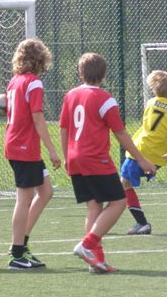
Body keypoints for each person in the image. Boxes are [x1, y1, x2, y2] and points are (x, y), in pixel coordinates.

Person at [59, 53, 155, 273]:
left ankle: (96, 261)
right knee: (119, 202)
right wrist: (141, 159)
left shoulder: (70, 95)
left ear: (80, 73)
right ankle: (88, 244)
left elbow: (63, 129)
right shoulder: (105, 99)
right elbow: (120, 133)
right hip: (95, 159)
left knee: (94, 206)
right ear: (104, 75)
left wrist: (66, 156)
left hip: (75, 158)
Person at [4, 39, 61, 270]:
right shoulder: (33, 82)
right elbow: (37, 118)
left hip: (20, 145)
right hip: (24, 147)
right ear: (40, 59)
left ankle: (22, 243)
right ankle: (17, 253)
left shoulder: (14, 81)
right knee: (24, 199)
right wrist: (52, 150)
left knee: (46, 192)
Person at [120, 70, 167, 235]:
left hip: (141, 150)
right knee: (124, 184)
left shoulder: (151, 102)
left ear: (156, 88)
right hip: (158, 158)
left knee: (124, 183)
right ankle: (132, 220)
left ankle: (141, 223)